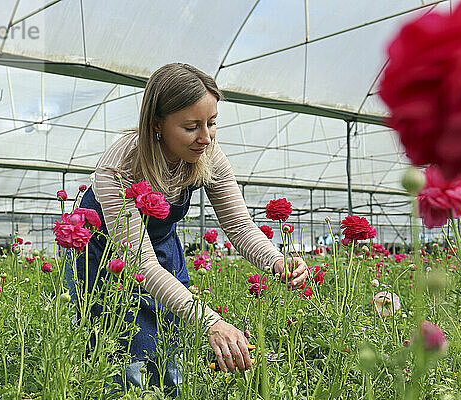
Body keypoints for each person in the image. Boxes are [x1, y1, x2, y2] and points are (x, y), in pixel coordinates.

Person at [66, 63, 310, 395]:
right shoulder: (120, 166)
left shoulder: (208, 155)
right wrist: (211, 322)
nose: (206, 138)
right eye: (192, 126)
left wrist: (277, 262)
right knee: (122, 354)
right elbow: (141, 263)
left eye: (212, 124)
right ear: (157, 125)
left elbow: (239, 226)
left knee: (170, 343)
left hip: (158, 248)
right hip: (105, 254)